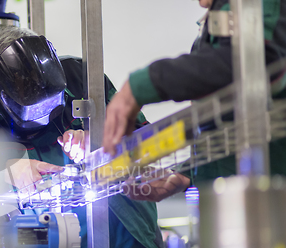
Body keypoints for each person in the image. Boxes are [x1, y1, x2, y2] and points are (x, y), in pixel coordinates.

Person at [0, 26, 166, 248]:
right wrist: (5, 170)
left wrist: (101, 141)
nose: (47, 116)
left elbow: (147, 142)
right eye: (35, 109)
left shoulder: (84, 79)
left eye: (53, 104)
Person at [102, 0, 286, 198]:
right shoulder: (211, 31)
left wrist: (141, 85)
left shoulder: (255, 5)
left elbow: (257, 64)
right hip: (228, 202)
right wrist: (186, 174)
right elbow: (224, 124)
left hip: (270, 202)